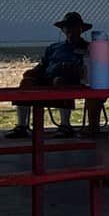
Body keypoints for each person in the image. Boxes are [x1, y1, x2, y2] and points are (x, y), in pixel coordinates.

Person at [9, 11, 92, 139]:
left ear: (81, 29)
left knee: (61, 81)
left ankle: (65, 126)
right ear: (63, 29)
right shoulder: (54, 47)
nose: (70, 30)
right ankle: (22, 126)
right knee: (27, 82)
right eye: (67, 27)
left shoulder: (88, 47)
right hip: (47, 76)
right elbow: (43, 64)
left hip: (71, 78)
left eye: (74, 26)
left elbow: (87, 67)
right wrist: (33, 72)